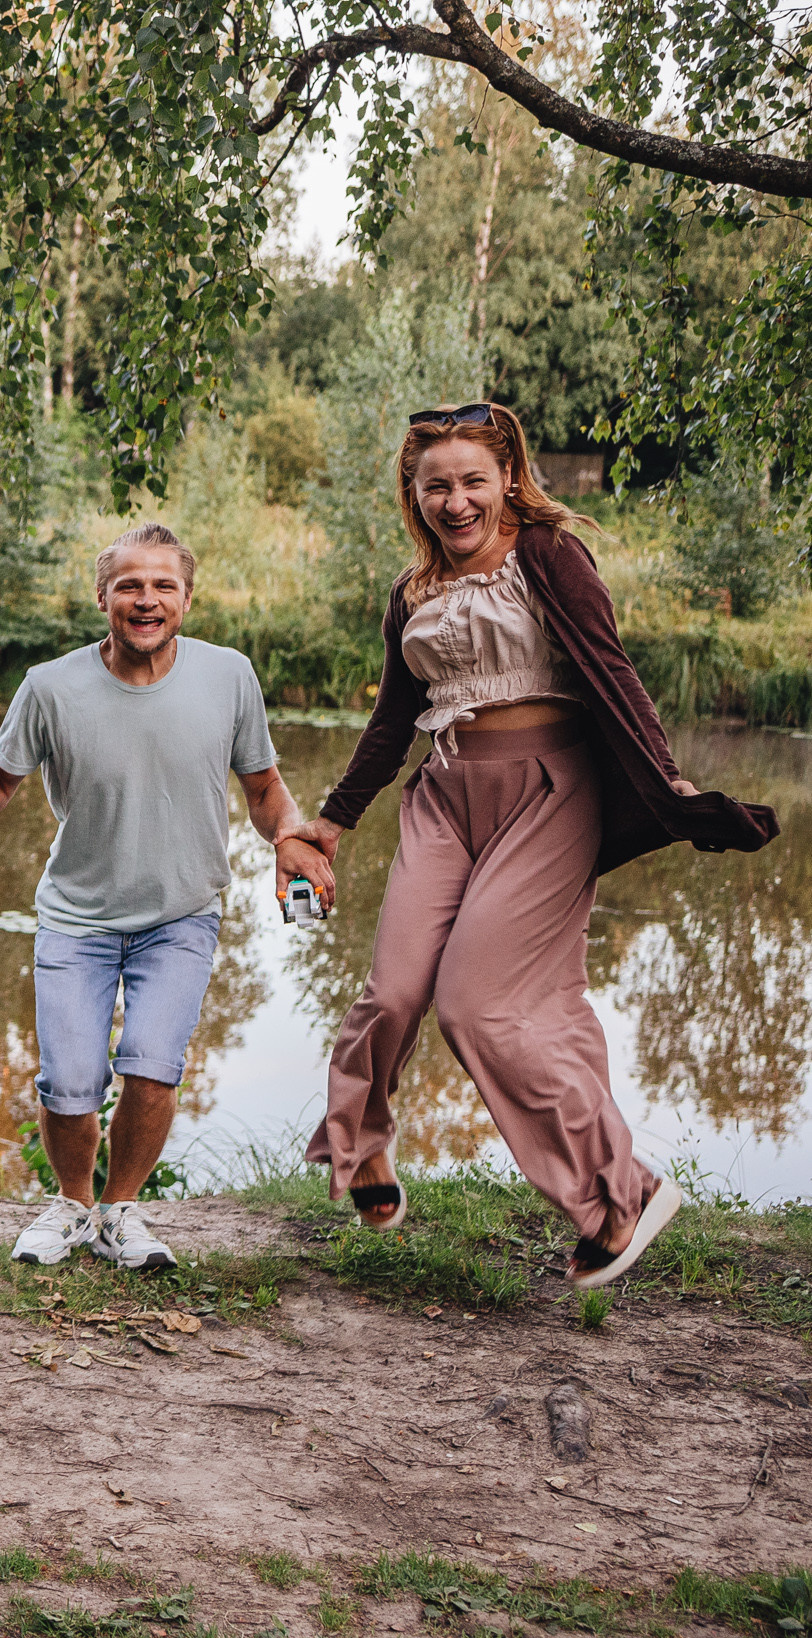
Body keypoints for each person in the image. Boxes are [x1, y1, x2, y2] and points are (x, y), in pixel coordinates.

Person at [276, 401, 777, 1288]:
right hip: (445, 796)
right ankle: (357, 1148)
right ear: (414, 493)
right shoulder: (412, 593)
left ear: (508, 477)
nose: (456, 501)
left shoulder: (548, 556)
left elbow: (610, 668)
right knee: (391, 989)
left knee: (479, 1006)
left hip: (548, 794)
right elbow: (395, 719)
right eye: (436, 486)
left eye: (473, 481)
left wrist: (667, 782)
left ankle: (620, 1192)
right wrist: (333, 821)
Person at [0, 524, 330, 1272]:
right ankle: (71, 1205)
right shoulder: (49, 686)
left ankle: (120, 1210)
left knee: (152, 1066)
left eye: (162, 585)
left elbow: (263, 787)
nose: (146, 599)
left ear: (186, 597)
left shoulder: (229, 676)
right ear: (103, 597)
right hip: (75, 915)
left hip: (182, 914)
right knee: (69, 1080)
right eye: (129, 585)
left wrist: (289, 836)